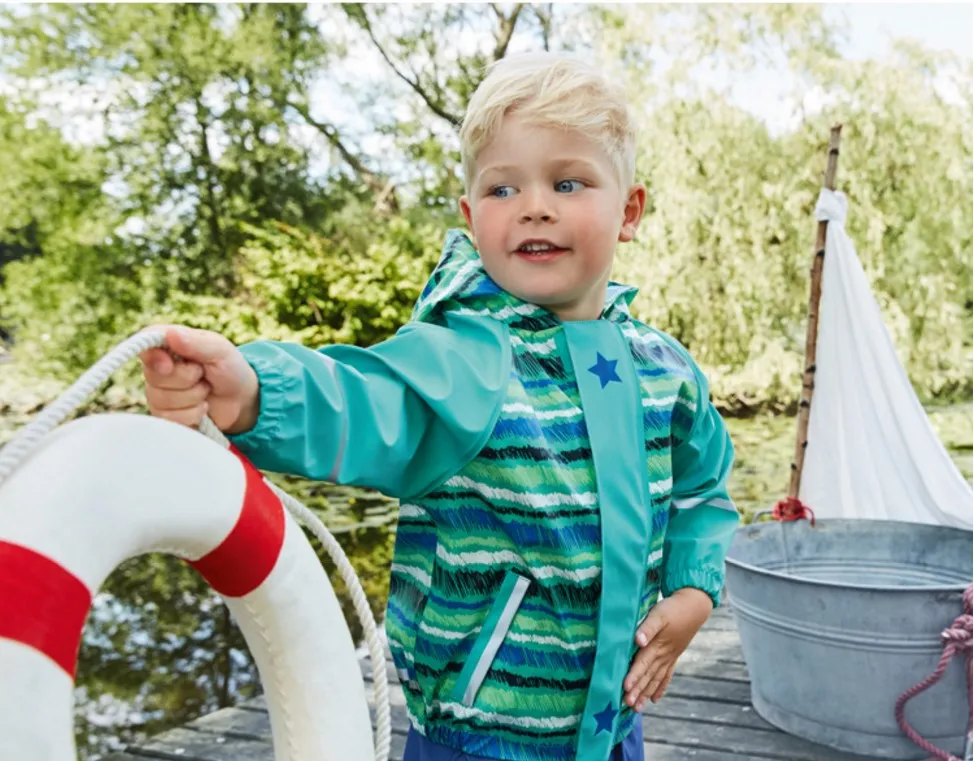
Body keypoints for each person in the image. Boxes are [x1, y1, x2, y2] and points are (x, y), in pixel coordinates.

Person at [140, 52, 739, 761]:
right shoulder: (464, 360)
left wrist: (693, 593)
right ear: (470, 216)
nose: (534, 205)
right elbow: (363, 400)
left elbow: (705, 492)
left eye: (568, 181)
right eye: (501, 188)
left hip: (611, 730)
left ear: (629, 210)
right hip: (476, 741)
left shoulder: (667, 374)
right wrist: (256, 392)